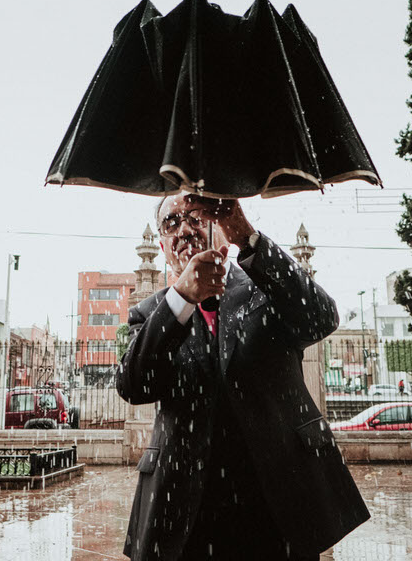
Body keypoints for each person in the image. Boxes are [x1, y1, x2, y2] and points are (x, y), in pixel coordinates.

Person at [117, 193, 370, 561]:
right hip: (185, 512)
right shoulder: (151, 313)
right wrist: (182, 298)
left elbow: (320, 317)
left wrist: (246, 234)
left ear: (219, 225)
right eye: (171, 224)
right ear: (162, 246)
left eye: (195, 217)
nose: (184, 229)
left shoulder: (266, 289)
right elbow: (134, 385)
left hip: (276, 507)